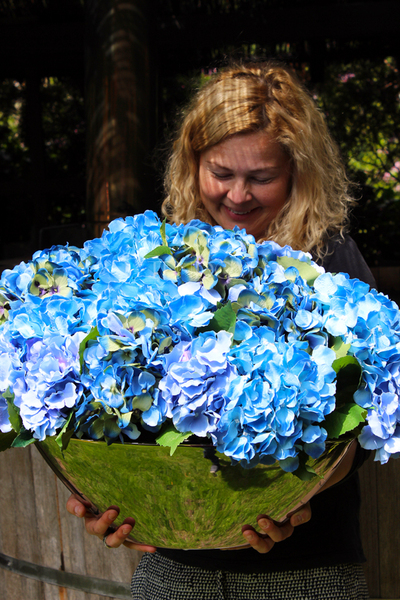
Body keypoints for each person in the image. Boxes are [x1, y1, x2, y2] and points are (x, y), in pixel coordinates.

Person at [67, 60, 374, 599]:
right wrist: (107, 497)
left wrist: (299, 491)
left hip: (304, 571)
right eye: (220, 173)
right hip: (176, 572)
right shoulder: (161, 260)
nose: (237, 197)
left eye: (261, 178)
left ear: (298, 173)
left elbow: (369, 427)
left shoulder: (331, 263)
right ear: (192, 165)